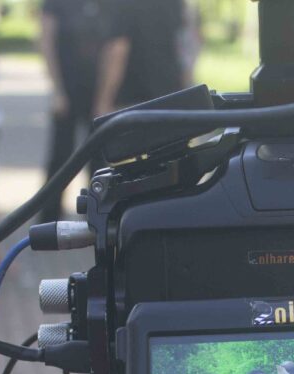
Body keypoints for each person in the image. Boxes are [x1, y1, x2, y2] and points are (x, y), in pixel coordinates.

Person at [39, 0, 186, 223]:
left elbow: (118, 49)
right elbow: (185, 42)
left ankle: (107, 215)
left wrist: (104, 100)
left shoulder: (121, 5)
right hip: (79, 89)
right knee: (64, 157)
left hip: (126, 95)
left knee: (113, 161)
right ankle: (55, 216)